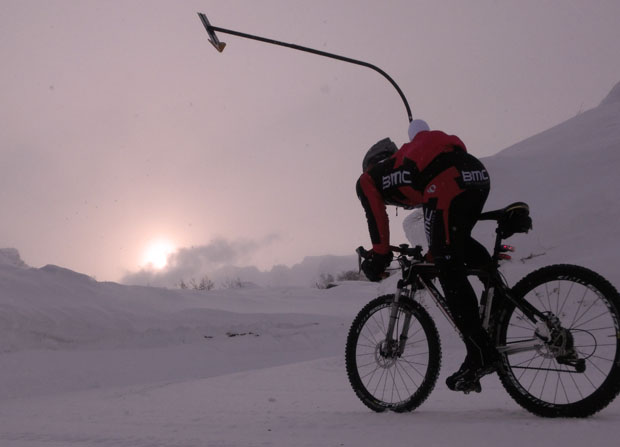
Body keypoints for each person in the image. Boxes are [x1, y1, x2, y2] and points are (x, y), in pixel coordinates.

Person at [356, 119, 500, 393]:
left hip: (446, 181)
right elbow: (438, 217)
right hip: (475, 174)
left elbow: (376, 216)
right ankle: (500, 298)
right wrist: (434, 253)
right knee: (454, 244)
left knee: (449, 268)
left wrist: (378, 257)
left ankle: (480, 352)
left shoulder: (370, 179)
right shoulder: (414, 161)